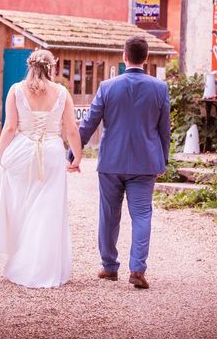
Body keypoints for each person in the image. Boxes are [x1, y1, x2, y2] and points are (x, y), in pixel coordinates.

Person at [0, 49, 83, 288]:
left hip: (23, 150)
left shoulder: (16, 90)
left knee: (22, 207)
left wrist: (2, 156)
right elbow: (71, 129)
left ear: (30, 65)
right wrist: (77, 158)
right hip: (52, 151)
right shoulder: (62, 93)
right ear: (52, 67)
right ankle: (42, 268)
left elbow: (10, 127)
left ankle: (23, 261)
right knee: (48, 210)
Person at [69, 35, 170, 289]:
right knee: (142, 214)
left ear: (124, 57)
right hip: (145, 163)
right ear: (145, 58)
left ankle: (109, 266)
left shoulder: (107, 87)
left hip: (111, 163)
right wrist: (162, 161)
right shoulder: (160, 88)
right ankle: (137, 269)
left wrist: (73, 152)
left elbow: (89, 122)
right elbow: (164, 130)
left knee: (109, 214)